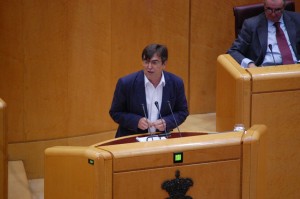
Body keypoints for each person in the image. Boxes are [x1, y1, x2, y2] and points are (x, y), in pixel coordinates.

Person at [109, 44, 189, 138]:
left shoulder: (176, 83)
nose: (149, 66)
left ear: (164, 64)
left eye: (154, 62)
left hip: (163, 139)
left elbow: (182, 111)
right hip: (131, 139)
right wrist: (136, 121)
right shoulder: (126, 83)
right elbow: (115, 112)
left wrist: (167, 122)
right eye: (146, 62)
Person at [227, 0, 300, 68]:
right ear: (264, 6)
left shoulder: (297, 19)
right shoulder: (251, 25)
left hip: (296, 70)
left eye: (277, 10)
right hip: (266, 72)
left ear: (283, 8)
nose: (273, 14)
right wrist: (249, 64)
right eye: (269, 9)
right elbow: (233, 51)